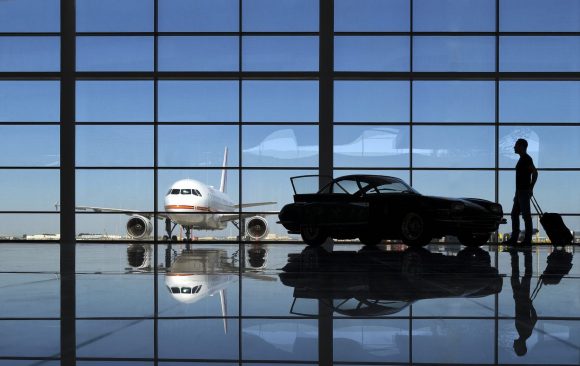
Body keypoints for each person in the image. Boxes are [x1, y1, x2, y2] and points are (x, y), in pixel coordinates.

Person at [505, 139, 538, 246]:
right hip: (520, 192)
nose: (514, 147)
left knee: (525, 216)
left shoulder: (527, 159)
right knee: (515, 214)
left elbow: (535, 173)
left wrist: (530, 188)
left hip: (523, 192)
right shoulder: (522, 159)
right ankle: (515, 238)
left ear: (521, 146)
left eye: (516, 145)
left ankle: (527, 240)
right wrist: (516, 194)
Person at [510, 248, 537, 356]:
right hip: (521, 297)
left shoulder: (523, 333)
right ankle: (523, 254)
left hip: (519, 298)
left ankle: (524, 255)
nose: (513, 346)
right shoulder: (526, 332)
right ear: (521, 346)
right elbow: (534, 318)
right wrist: (530, 305)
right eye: (516, 348)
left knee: (523, 275)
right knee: (522, 275)